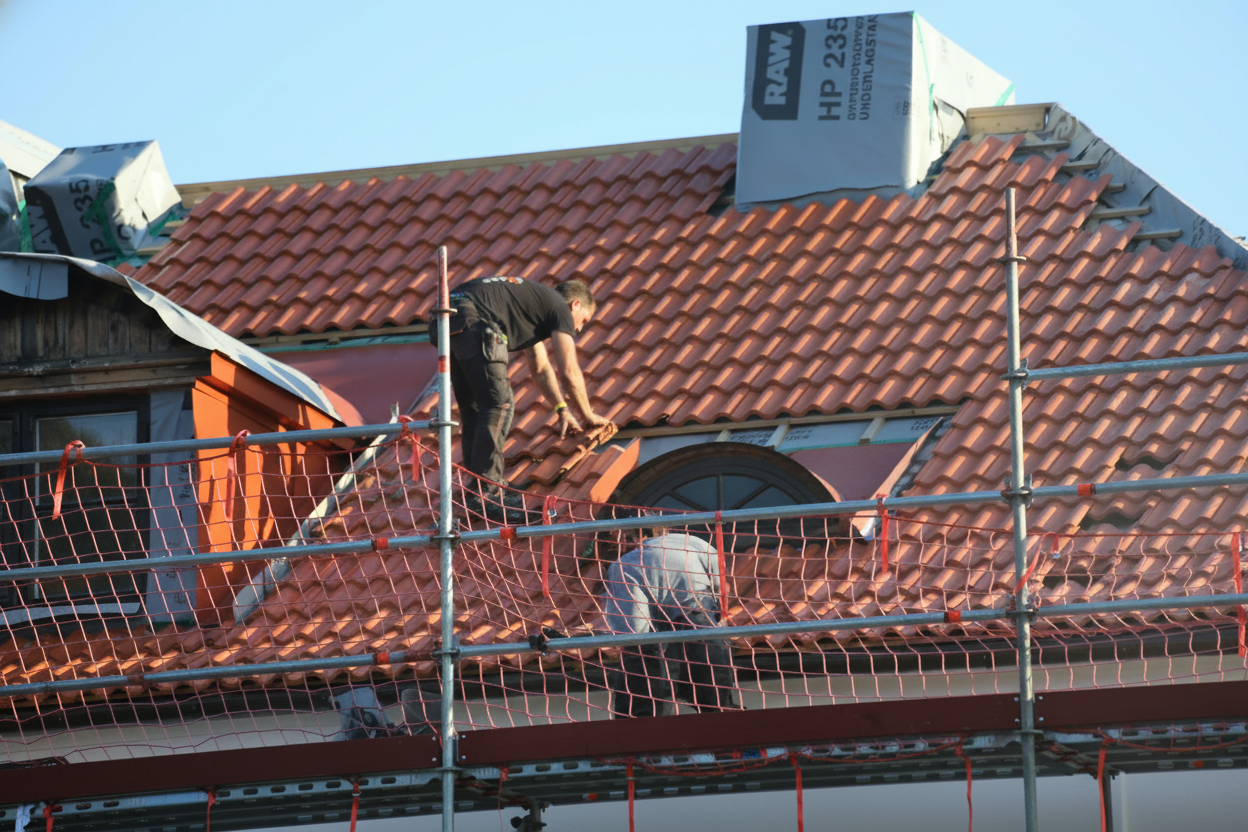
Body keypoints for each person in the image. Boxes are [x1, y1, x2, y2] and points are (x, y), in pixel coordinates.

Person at [437, 276, 610, 513]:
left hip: (446, 318)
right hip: (474, 319)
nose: (578, 328)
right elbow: (569, 371)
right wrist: (588, 415)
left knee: (475, 411)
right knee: (500, 404)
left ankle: (478, 488)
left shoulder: (534, 308)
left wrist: (562, 409)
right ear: (575, 305)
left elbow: (540, 368)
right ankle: (487, 492)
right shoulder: (559, 306)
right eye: (583, 321)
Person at [602, 532, 739, 718]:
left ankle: (637, 721)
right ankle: (720, 710)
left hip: (661, 609)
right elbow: (719, 583)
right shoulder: (693, 542)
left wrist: (642, 644)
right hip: (695, 605)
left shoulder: (621, 566)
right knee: (706, 647)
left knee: (639, 653)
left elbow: (631, 627)